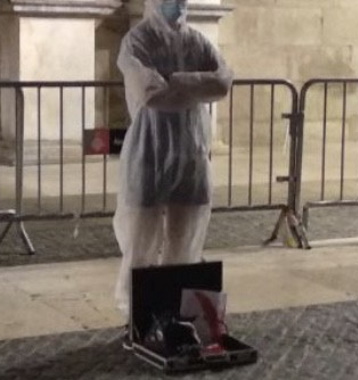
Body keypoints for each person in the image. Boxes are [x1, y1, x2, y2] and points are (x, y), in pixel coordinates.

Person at [112, 0, 233, 348]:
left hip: (191, 148)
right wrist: (194, 87)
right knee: (141, 241)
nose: (176, 4)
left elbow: (222, 81)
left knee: (188, 239)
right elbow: (148, 91)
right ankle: (137, 316)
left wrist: (175, 82)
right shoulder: (137, 40)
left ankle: (180, 316)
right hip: (149, 148)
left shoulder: (198, 41)